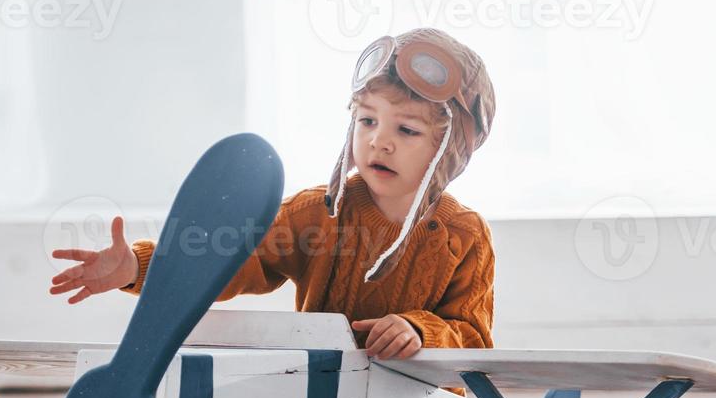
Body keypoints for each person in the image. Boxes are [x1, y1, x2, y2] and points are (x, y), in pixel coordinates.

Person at [49, 27, 498, 365]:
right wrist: (138, 267)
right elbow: (229, 260)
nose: (380, 141)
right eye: (367, 121)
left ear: (450, 149)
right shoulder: (319, 213)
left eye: (407, 129)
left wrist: (420, 330)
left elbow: (474, 339)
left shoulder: (464, 236)